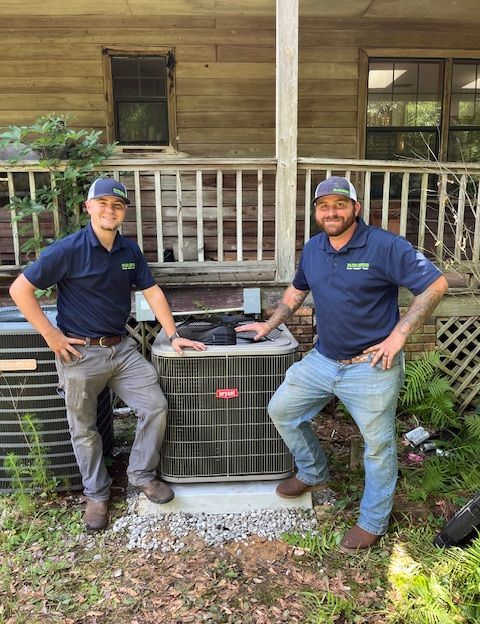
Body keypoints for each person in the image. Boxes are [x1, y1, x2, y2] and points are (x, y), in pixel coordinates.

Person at [236, 176, 448, 553]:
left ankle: (373, 521)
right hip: (323, 359)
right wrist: (271, 323)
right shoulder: (315, 248)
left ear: (356, 208)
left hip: (370, 366)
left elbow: (434, 285)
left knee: (378, 447)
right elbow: (297, 289)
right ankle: (313, 472)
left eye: (339, 204)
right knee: (282, 410)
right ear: (316, 212)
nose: (331, 212)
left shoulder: (385, 246)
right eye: (323, 206)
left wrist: (399, 335)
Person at [9, 177, 206, 531]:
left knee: (155, 407)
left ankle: (141, 474)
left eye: (117, 206)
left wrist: (173, 333)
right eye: (102, 204)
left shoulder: (129, 252)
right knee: (84, 429)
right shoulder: (67, 250)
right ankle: (97, 495)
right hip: (79, 353)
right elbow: (20, 289)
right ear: (89, 208)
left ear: (124, 213)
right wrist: (52, 336)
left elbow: (153, 291)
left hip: (122, 349)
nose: (109, 210)